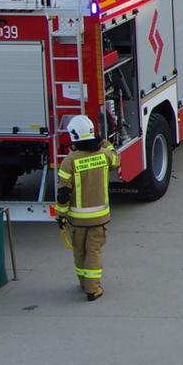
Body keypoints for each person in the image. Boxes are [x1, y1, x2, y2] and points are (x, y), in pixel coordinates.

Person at [56, 115, 119, 301]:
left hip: (76, 218)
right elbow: (116, 159)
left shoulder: (69, 161)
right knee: (94, 251)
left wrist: (60, 215)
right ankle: (93, 289)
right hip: (99, 218)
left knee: (79, 251)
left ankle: (84, 282)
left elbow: (63, 193)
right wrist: (105, 142)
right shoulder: (104, 155)